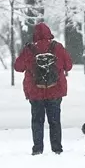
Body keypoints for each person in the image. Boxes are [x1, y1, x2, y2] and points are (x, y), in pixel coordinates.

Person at [14, 22, 73, 155]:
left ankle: (38, 149)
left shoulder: (29, 49)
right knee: (55, 121)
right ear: (49, 33)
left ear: (34, 34)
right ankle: (57, 149)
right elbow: (68, 65)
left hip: (35, 93)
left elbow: (18, 67)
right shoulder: (57, 47)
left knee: (37, 122)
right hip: (55, 91)